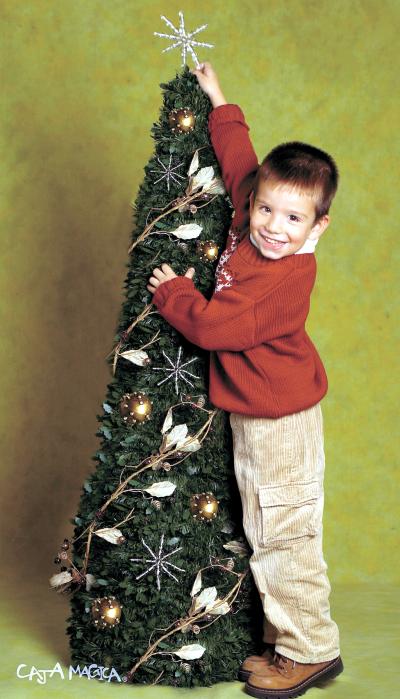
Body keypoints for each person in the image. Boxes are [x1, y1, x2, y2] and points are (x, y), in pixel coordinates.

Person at [147, 62, 344, 699]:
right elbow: (238, 160)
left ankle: (308, 652)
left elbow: (210, 330)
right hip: (258, 412)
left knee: (281, 534)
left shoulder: (283, 283)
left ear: (317, 228)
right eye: (265, 208)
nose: (271, 225)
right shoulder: (248, 219)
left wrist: (174, 291)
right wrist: (218, 100)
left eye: (292, 219)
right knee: (266, 526)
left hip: (277, 421)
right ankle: (291, 635)